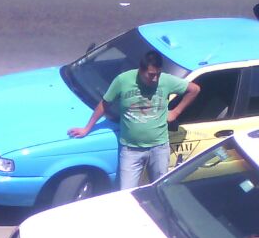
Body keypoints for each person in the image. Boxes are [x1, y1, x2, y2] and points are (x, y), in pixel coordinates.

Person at [67, 50, 200, 190]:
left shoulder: (166, 81)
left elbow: (194, 89)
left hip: (159, 148)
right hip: (131, 150)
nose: (155, 79)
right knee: (127, 192)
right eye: (151, 75)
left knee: (160, 188)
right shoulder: (123, 80)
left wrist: (175, 112)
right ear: (141, 71)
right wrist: (87, 129)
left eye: (158, 75)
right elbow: (104, 104)